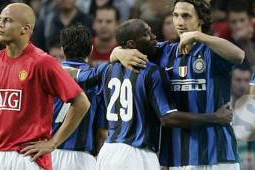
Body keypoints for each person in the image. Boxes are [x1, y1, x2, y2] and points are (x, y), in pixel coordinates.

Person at [71, 19, 233, 170]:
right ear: (131, 44)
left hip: (108, 152)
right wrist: (215, 117)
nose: (154, 36)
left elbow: (77, 76)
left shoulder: (106, 69)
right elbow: (168, 117)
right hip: (137, 152)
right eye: (146, 34)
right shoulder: (152, 72)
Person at [110, 0, 245, 169]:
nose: (180, 22)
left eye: (186, 16)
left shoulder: (212, 51)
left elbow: (239, 55)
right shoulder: (163, 51)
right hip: (177, 158)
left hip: (218, 155)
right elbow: (130, 47)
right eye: (176, 16)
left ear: (200, 19)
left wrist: (198, 36)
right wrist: (117, 52)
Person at [0, 3, 90, 170]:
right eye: (0, 20)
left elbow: (81, 102)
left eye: (7, 20)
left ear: (25, 28)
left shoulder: (43, 62)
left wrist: (53, 143)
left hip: (28, 158)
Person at [51, 24, 107, 170]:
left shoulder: (48, 76)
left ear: (63, 50)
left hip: (48, 153)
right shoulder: (97, 80)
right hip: (82, 159)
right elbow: (102, 132)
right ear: (91, 50)